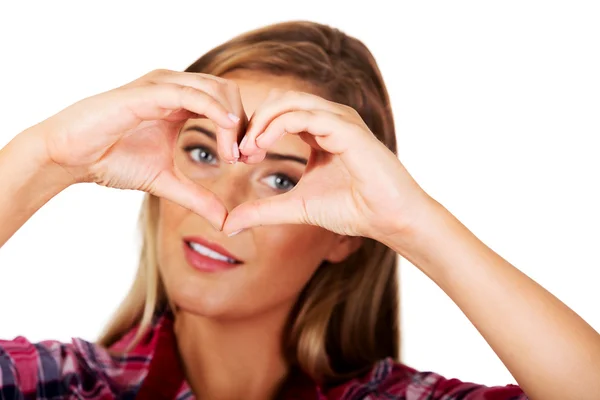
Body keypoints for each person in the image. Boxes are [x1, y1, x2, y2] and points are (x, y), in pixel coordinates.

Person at [0, 20, 598, 400]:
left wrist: (414, 225)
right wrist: (43, 158)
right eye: (202, 151)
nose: (220, 205)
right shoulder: (65, 386)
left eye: (280, 178)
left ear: (346, 232)